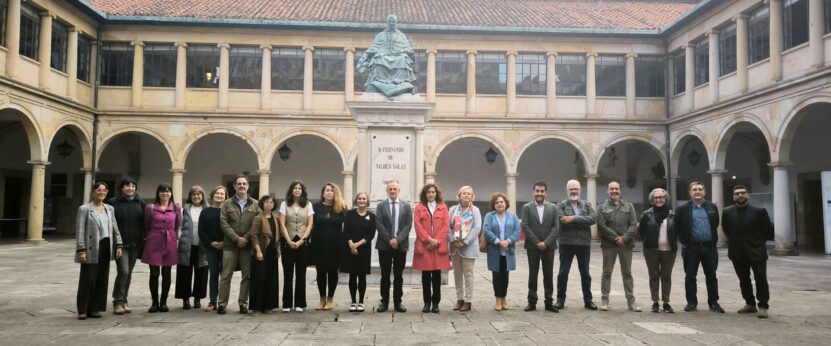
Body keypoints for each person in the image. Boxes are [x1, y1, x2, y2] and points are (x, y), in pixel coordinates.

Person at [722, 185, 773, 318]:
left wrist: (758, 243)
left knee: (761, 278)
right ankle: (750, 303)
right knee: (743, 279)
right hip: (737, 251)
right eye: (737, 194)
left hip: (756, 250)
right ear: (733, 197)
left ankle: (762, 305)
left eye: (743, 193)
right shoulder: (727, 212)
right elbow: (726, 230)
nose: (740, 195)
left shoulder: (759, 211)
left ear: (747, 195)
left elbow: (767, 231)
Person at [76, 182, 123, 319]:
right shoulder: (84, 209)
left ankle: (95, 308)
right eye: (99, 190)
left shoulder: (109, 209)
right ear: (93, 192)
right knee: (88, 278)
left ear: (107, 192)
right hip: (91, 247)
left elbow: (115, 228)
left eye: (104, 190)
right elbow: (80, 231)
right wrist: (81, 250)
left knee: (102, 277)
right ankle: (83, 309)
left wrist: (118, 245)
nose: (102, 192)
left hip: (105, 246)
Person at [674, 181, 723, 313]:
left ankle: (713, 302)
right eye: (694, 190)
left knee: (711, 276)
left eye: (700, 189)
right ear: (690, 193)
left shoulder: (712, 207)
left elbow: (716, 224)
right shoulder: (682, 209)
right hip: (691, 248)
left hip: (710, 248)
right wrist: (684, 241)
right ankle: (691, 302)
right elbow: (677, 227)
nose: (697, 192)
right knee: (690, 276)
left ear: (704, 192)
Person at [218, 175, 262, 314]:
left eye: (244, 183)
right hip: (230, 245)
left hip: (247, 246)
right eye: (239, 184)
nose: (241, 186)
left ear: (248, 186)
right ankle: (222, 304)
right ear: (234, 186)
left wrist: (246, 238)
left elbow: (258, 223)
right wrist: (236, 238)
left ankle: (243, 303)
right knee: (225, 275)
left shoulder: (256, 204)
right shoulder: (226, 204)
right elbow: (223, 222)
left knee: (247, 276)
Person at [597, 181, 641, 312]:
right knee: (606, 273)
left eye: (616, 189)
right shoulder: (601, 207)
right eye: (612, 189)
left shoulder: (629, 206)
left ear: (620, 191)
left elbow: (633, 224)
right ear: (607, 191)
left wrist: (625, 238)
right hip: (609, 244)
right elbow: (602, 225)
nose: (614, 191)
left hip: (626, 245)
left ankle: (631, 302)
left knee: (627, 273)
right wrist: (616, 238)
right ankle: (605, 301)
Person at [556, 179, 598, 310]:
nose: (574, 191)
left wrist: (573, 218)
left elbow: (593, 219)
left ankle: (588, 300)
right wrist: (582, 221)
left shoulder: (587, 205)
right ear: (567, 190)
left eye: (576, 189)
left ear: (580, 190)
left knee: (585, 273)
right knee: (563, 273)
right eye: (571, 189)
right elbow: (561, 219)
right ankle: (560, 300)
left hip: (583, 244)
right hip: (566, 243)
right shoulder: (561, 205)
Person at [141, 183, 181, 313]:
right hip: (154, 241)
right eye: (162, 191)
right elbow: (146, 226)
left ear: (171, 193)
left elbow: (176, 226)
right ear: (158, 193)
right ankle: (154, 302)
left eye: (168, 191)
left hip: (169, 241)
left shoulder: (176, 208)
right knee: (154, 273)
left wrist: (172, 238)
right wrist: (152, 237)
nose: (165, 193)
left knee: (166, 273)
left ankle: (163, 302)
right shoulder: (150, 208)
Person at [520, 181, 559, 313]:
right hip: (532, 246)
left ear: (546, 193)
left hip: (549, 246)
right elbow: (525, 225)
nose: (539, 193)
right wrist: (537, 242)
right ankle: (532, 301)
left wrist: (546, 242)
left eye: (542, 191)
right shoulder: (526, 207)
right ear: (533, 192)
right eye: (537, 191)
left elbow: (556, 227)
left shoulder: (553, 208)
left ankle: (549, 302)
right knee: (533, 274)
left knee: (548, 274)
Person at [356, 14, 417, 97]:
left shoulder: (401, 35)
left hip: (398, 55)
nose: (392, 23)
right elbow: (374, 46)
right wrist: (366, 54)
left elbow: (407, 47)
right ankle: (381, 81)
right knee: (378, 58)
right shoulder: (381, 35)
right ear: (387, 23)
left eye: (393, 22)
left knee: (403, 58)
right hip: (384, 55)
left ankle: (399, 80)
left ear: (396, 23)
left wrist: (407, 50)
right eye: (390, 21)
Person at [375, 180, 413, 313]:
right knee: (384, 275)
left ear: (399, 190)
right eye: (390, 189)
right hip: (384, 245)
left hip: (401, 246)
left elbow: (408, 225)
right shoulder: (381, 205)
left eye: (395, 189)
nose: (392, 191)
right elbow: (378, 224)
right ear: (387, 191)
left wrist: (398, 240)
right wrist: (390, 240)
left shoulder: (406, 206)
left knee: (399, 275)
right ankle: (384, 302)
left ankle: (398, 302)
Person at [412, 183, 451, 313]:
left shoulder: (443, 207)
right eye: (428, 192)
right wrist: (429, 239)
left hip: (437, 246)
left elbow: (446, 226)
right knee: (426, 275)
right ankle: (427, 302)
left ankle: (436, 303)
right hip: (425, 245)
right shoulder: (419, 207)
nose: (431, 194)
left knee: (437, 275)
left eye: (433, 192)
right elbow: (417, 226)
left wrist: (437, 241)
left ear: (436, 193)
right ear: (425, 194)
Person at [109, 177, 144, 315]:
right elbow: (111, 223)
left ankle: (124, 300)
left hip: (136, 243)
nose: (130, 188)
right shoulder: (113, 202)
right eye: (127, 186)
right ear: (122, 188)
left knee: (128, 273)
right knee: (123, 271)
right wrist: (116, 242)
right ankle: (117, 301)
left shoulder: (139, 202)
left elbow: (144, 222)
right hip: (120, 244)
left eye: (133, 186)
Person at [639, 188, 677, 313]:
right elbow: (642, 231)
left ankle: (666, 303)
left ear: (666, 199)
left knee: (667, 276)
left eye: (661, 197)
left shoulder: (672, 214)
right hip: (651, 250)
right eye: (656, 198)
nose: (659, 200)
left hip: (669, 250)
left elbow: (677, 231)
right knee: (653, 275)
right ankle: (655, 302)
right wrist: (648, 242)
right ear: (652, 200)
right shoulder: (646, 215)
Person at [278, 180, 314, 312]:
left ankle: (300, 303)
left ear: (302, 191)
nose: (297, 190)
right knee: (288, 274)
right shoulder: (284, 204)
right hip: (287, 242)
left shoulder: (308, 205)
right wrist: (288, 240)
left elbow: (310, 224)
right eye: (295, 188)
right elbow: (282, 223)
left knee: (301, 274)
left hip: (302, 243)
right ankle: (287, 304)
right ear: (291, 190)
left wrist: (302, 240)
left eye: (299, 188)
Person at [311, 182, 347, 311]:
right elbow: (311, 224)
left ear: (335, 193)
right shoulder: (316, 207)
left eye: (332, 190)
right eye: (327, 190)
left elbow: (346, 227)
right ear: (323, 193)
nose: (329, 192)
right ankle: (322, 299)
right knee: (320, 272)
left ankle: (330, 299)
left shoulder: (342, 207)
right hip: (319, 244)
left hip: (336, 245)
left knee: (332, 272)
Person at [483, 192, 521, 311]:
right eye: (497, 202)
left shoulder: (513, 216)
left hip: (508, 251)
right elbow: (486, 230)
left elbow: (517, 231)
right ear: (493, 205)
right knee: (496, 275)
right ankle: (498, 299)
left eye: (501, 202)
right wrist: (499, 241)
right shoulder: (490, 216)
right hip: (495, 251)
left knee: (505, 275)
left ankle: (504, 297)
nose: (499, 204)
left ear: (506, 203)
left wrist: (508, 241)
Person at [448, 185, 481, 312]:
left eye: (469, 194)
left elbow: (476, 228)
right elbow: (448, 227)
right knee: (457, 274)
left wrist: (465, 242)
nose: (466, 195)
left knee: (468, 274)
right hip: (455, 247)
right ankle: (459, 299)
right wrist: (452, 240)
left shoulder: (475, 210)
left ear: (472, 197)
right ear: (459, 196)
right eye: (464, 193)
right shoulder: (452, 210)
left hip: (469, 248)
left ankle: (468, 300)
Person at [341, 192, 376, 312]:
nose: (362, 200)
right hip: (350, 249)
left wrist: (358, 244)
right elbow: (346, 230)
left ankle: (361, 301)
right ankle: (353, 302)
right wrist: (351, 244)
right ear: (356, 200)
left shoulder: (371, 216)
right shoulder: (350, 214)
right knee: (352, 276)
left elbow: (371, 234)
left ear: (367, 201)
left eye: (364, 198)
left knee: (362, 276)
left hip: (364, 249)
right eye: (359, 198)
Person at [175, 186, 209, 310]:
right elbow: (179, 226)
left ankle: (198, 298)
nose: (196, 196)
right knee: (185, 273)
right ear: (190, 196)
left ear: (202, 196)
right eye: (193, 194)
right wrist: (180, 239)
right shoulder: (184, 210)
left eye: (199, 194)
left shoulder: (207, 210)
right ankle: (185, 299)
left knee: (201, 273)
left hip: (202, 247)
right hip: (186, 246)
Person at [249, 195, 281, 314]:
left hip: (272, 252)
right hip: (261, 251)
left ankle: (268, 305)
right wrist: (258, 250)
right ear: (262, 204)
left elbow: (278, 235)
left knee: (270, 279)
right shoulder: (258, 218)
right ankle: (257, 307)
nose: (269, 204)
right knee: (259, 279)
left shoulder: (276, 218)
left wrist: (278, 250)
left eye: (271, 202)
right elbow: (253, 235)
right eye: (266, 202)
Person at [198, 185, 228, 312]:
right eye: (217, 193)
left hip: (226, 247)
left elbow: (232, 228)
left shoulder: (228, 211)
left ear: (225, 197)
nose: (219, 196)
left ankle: (222, 302)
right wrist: (212, 243)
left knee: (225, 275)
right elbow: (201, 231)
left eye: (222, 194)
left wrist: (223, 242)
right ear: (213, 195)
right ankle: (212, 301)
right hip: (211, 248)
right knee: (214, 274)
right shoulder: (205, 211)